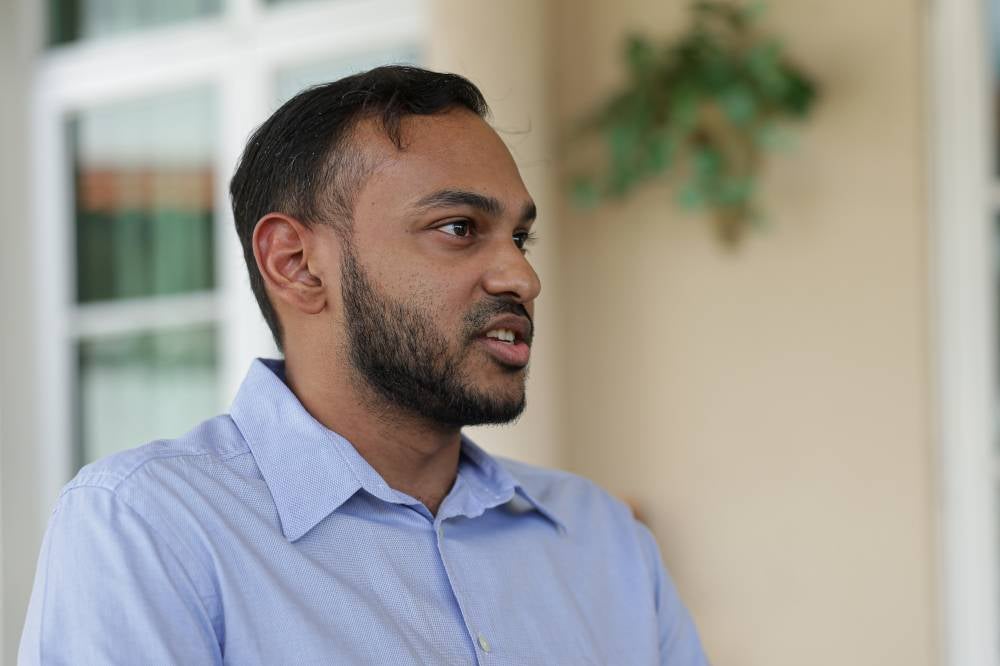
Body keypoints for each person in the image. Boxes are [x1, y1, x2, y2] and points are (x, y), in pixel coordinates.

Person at [19, 66, 708, 665]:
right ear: (296, 265)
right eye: (459, 228)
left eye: (520, 237)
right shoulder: (149, 527)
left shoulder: (603, 540)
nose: (521, 276)